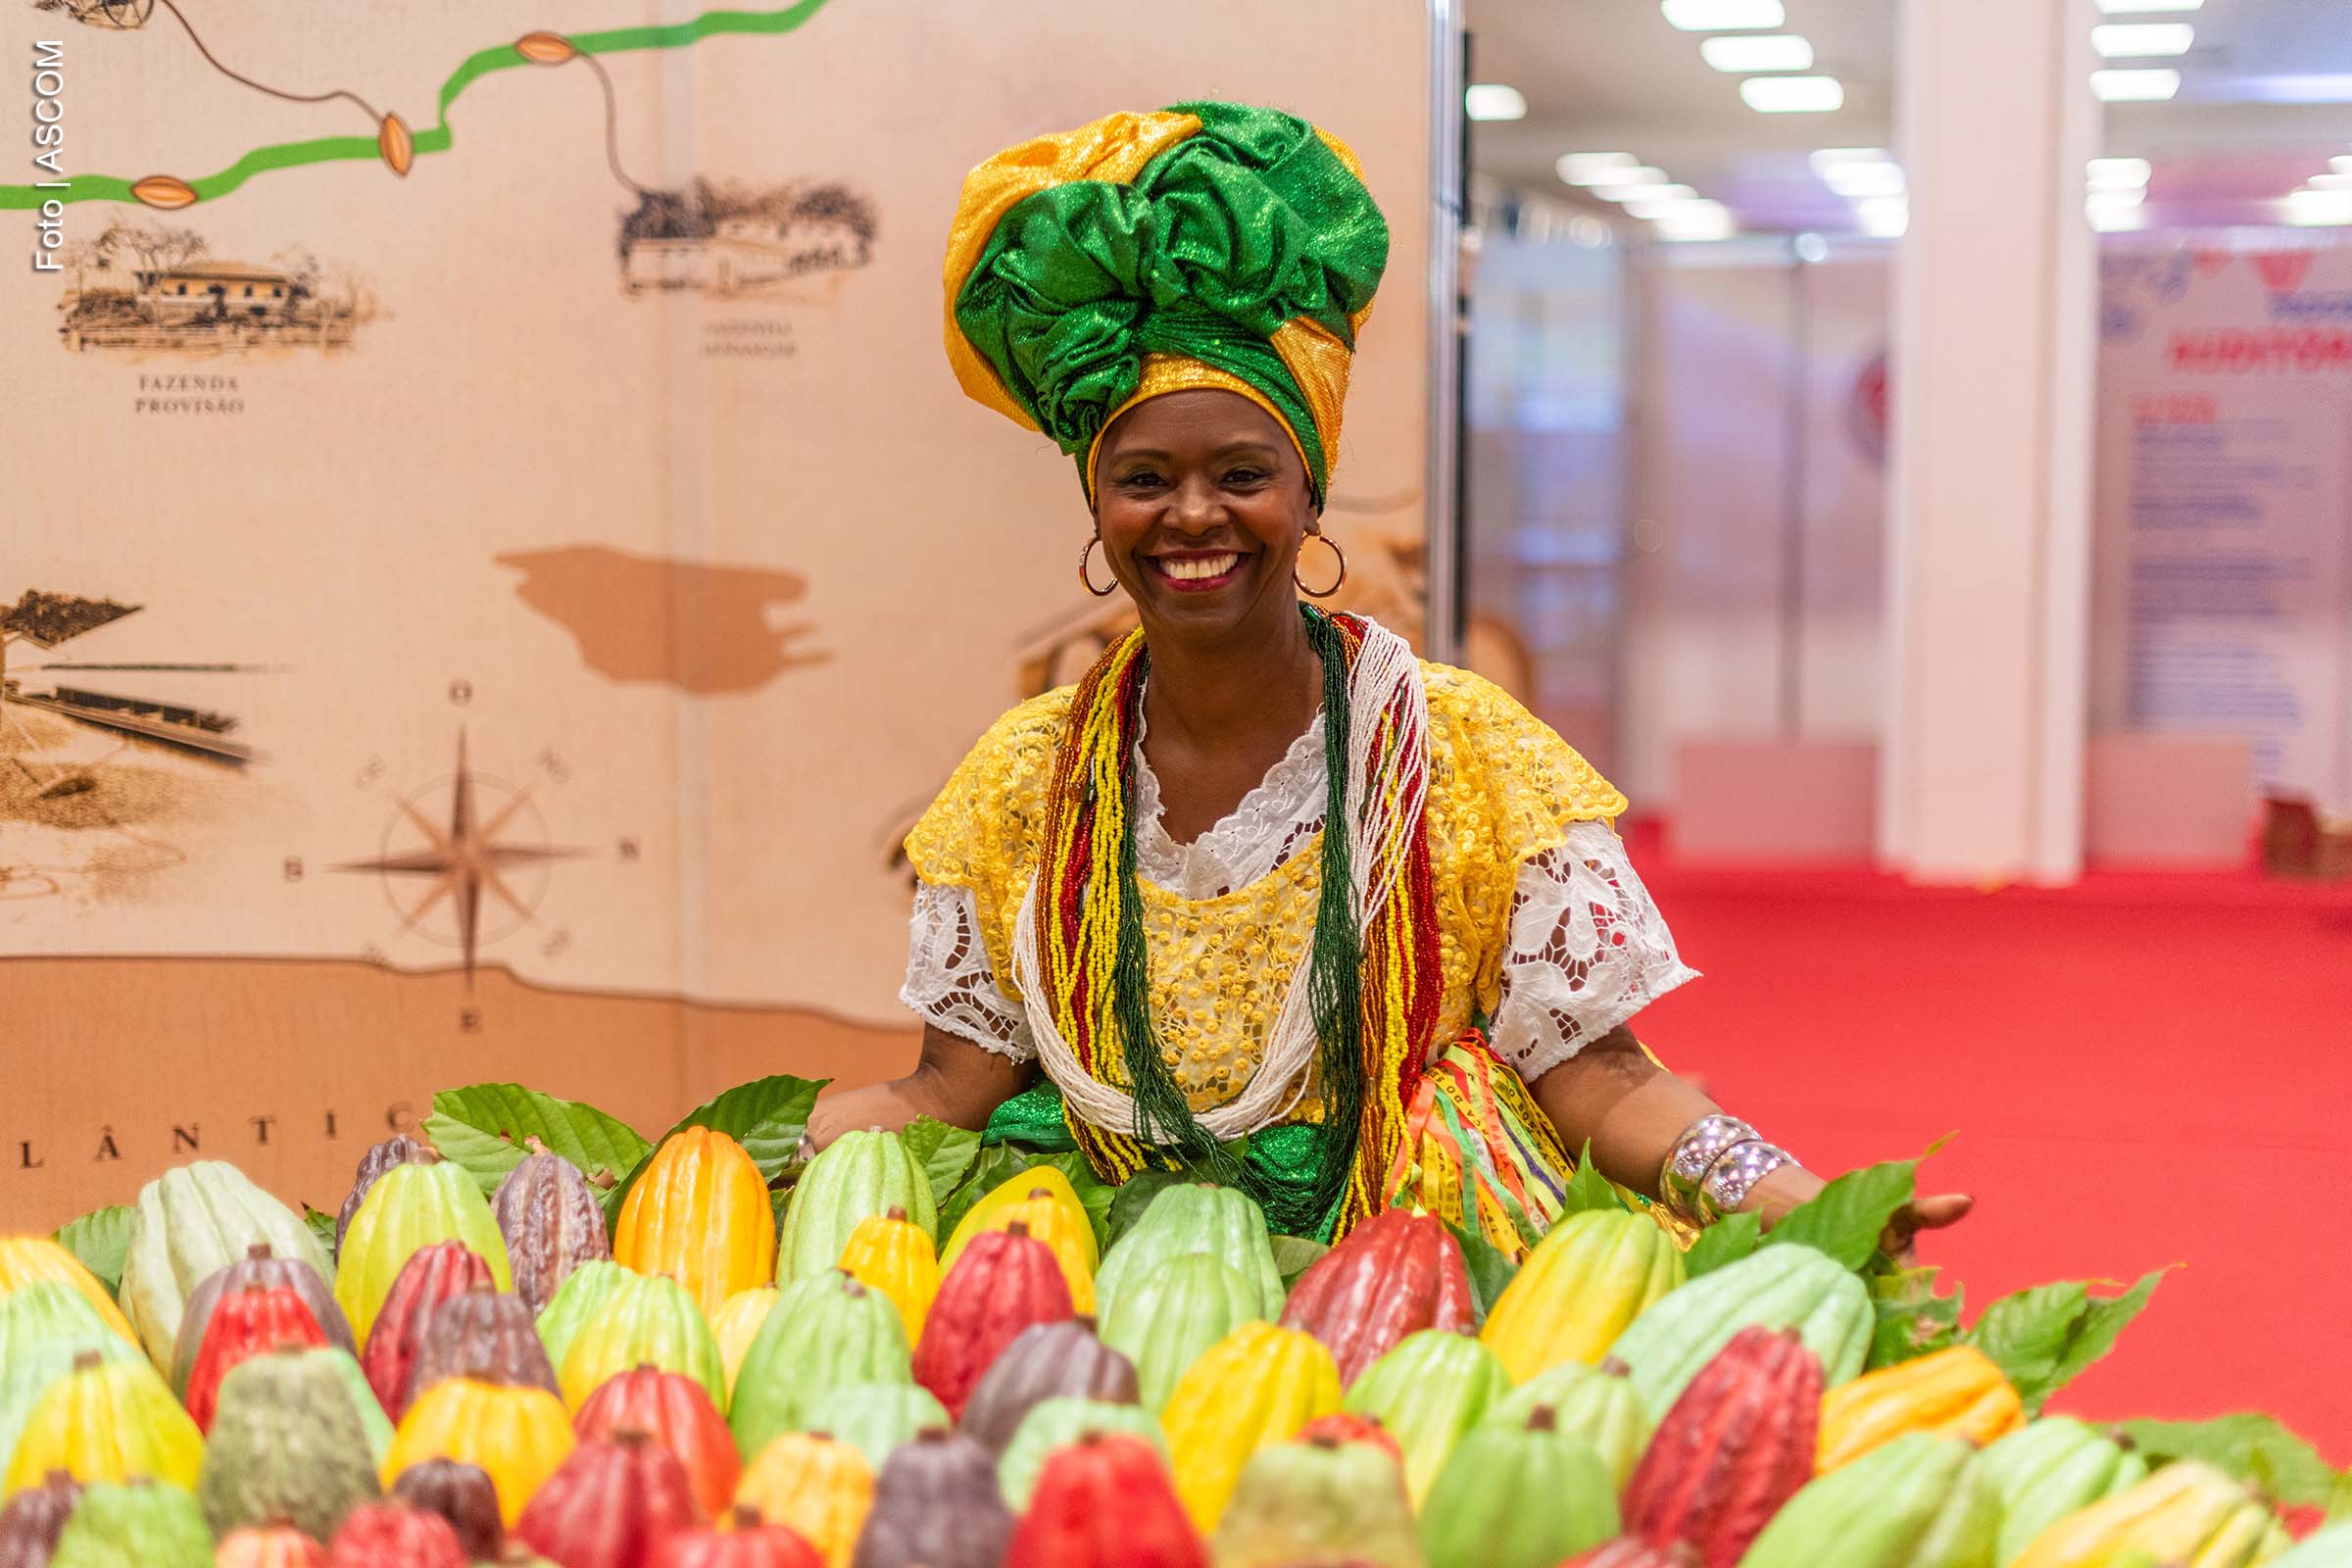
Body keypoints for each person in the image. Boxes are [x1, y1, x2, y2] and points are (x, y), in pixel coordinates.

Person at [808, 102, 1968, 1255]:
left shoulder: (1460, 750)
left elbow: (1604, 1081)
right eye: (1146, 477)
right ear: (1098, 510)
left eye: (1244, 473)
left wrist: (1800, 1200)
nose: (1193, 515)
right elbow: (945, 1092)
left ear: (1309, 495)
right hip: (1119, 1264)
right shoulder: (1031, 777)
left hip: (1425, 1270)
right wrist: (718, 1154)